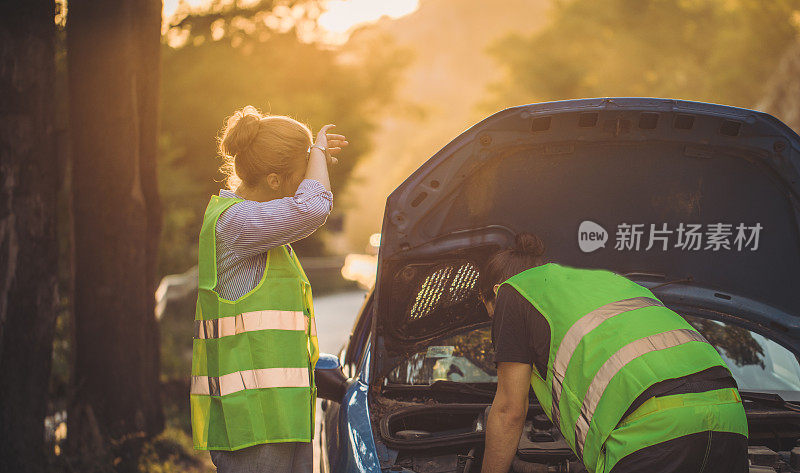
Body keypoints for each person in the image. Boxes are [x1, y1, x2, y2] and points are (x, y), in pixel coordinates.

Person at [479, 233, 749, 473]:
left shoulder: (512, 292)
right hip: (729, 415)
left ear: (494, 292)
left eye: (491, 316)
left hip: (653, 429)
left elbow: (509, 412)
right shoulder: (608, 282)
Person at [190, 105, 349, 473]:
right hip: (252, 426)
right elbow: (312, 209)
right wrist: (320, 153)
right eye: (302, 174)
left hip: (281, 419)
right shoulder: (237, 224)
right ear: (275, 180)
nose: (306, 183)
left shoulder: (261, 232)